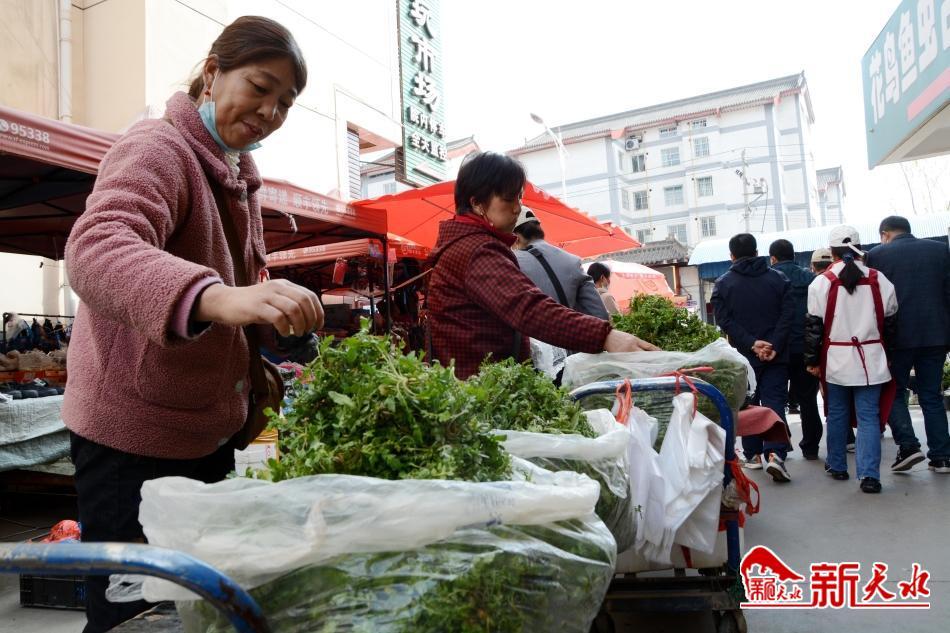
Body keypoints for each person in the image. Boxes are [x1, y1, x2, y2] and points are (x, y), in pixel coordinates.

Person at [63, 17, 321, 632]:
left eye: (285, 103)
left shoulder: (235, 175)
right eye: (259, 87)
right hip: (132, 441)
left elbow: (233, 297)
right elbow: (97, 249)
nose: (269, 112)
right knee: (134, 616)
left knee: (193, 610)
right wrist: (220, 298)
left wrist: (270, 322)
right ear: (212, 72)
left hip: (204, 433)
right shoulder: (158, 148)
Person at [426, 152, 657, 379]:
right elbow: (529, 308)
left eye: (519, 198)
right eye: (509, 199)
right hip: (479, 387)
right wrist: (605, 336)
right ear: (477, 203)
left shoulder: (470, 245)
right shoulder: (477, 250)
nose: (517, 208)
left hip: (479, 383)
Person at [804, 226, 898, 493]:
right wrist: (889, 355)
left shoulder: (821, 282)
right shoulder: (879, 279)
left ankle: (837, 465)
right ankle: (869, 476)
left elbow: (813, 327)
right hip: (872, 357)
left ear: (832, 252)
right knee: (869, 416)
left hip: (836, 358)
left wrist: (812, 360)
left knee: (837, 413)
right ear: (858, 249)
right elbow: (891, 323)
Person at [866, 215, 950, 474]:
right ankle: (942, 457)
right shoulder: (940, 250)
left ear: (885, 234)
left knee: (893, 391)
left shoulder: (877, 255)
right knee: (931, 395)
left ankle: (908, 445)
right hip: (936, 334)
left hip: (897, 338)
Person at [712, 233, 794, 482]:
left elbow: (724, 320)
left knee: (746, 403)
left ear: (732, 256)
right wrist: (773, 345)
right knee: (774, 401)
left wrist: (751, 344)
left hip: (743, 356)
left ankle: (753, 455)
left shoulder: (723, 284)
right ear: (758, 253)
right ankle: (775, 454)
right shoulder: (779, 279)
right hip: (776, 354)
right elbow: (788, 315)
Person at [769, 239, 822, 460]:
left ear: (773, 258)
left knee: (776, 399)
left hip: (778, 349)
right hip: (807, 347)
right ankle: (810, 447)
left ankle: (782, 443)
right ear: (793, 255)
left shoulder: (769, 279)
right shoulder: (811, 278)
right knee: (808, 400)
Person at [513, 207, 609, 320]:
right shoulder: (572, 260)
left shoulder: (512, 262)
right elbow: (600, 315)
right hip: (572, 329)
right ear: (539, 229)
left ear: (516, 238)